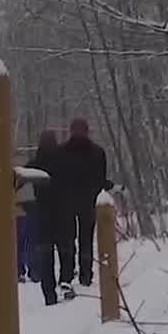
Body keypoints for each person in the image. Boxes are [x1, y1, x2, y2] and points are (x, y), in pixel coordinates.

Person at [56, 118, 109, 287]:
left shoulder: (61, 152)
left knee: (67, 240)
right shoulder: (97, 152)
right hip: (88, 201)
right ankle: (86, 274)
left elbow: (56, 178)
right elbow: (101, 178)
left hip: (66, 202)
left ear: (70, 131)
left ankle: (66, 274)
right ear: (87, 131)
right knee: (86, 240)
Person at [26, 129, 68, 305]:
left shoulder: (35, 164)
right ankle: (65, 282)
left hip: (42, 213)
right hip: (62, 212)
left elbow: (21, 177)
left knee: (46, 255)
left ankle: (49, 293)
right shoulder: (64, 161)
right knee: (65, 250)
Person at [15, 157, 37, 283]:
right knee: (31, 240)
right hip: (31, 204)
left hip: (17, 206)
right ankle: (33, 271)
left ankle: (19, 270)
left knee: (20, 241)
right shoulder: (34, 170)